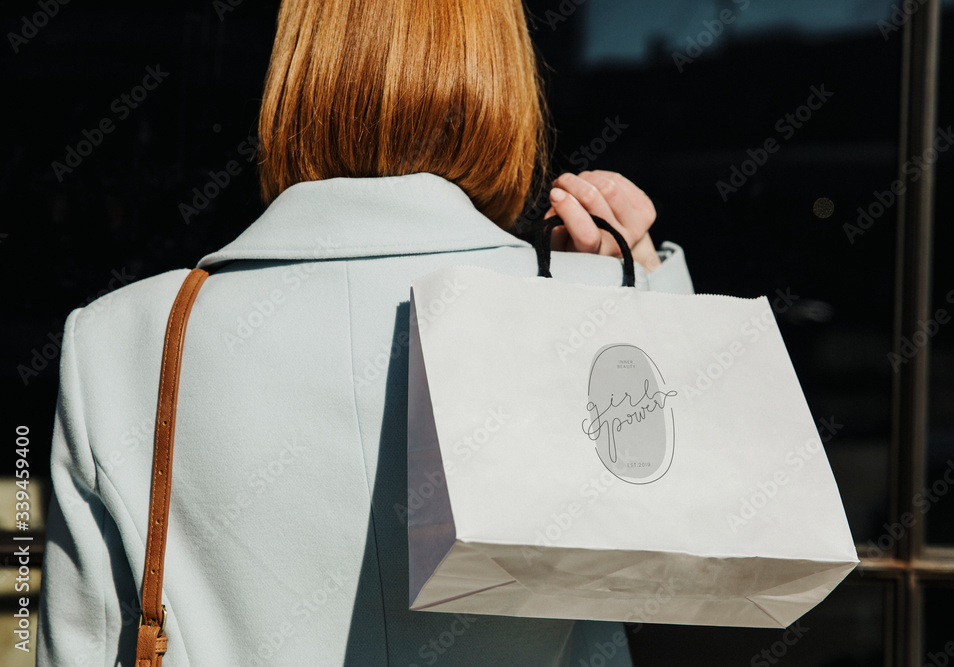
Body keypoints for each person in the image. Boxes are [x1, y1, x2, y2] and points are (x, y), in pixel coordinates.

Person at [38, 1, 694, 665]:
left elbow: (77, 647)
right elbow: (699, 550)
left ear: (294, 77)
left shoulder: (120, 343)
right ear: (503, 78)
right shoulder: (578, 320)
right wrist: (642, 299)